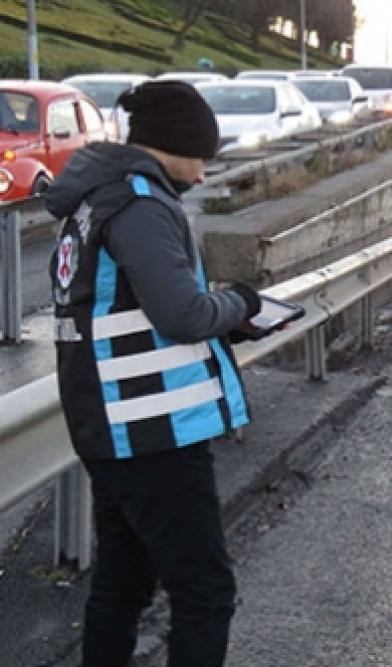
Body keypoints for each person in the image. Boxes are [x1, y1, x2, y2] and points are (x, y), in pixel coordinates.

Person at [45, 81, 263, 667]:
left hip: (113, 425)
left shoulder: (95, 201)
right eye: (200, 158)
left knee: (123, 583)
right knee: (205, 593)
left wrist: (223, 322)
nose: (202, 174)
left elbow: (125, 310)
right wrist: (241, 304)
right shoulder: (140, 205)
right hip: (152, 430)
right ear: (174, 145)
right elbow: (182, 314)